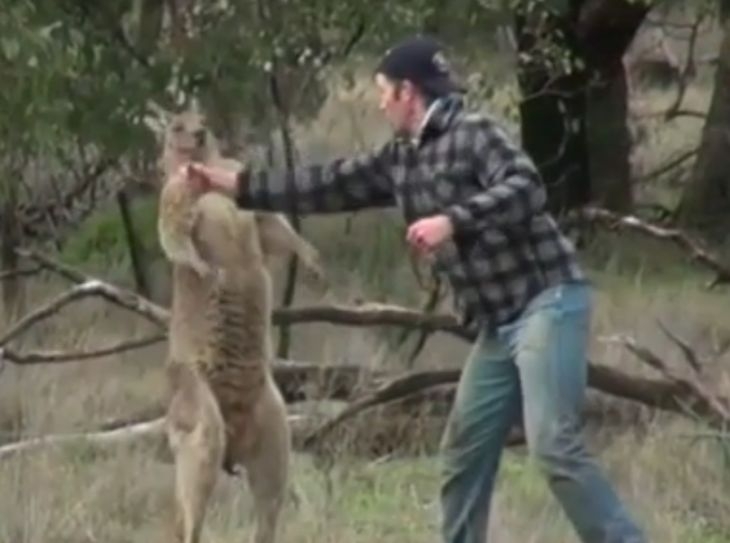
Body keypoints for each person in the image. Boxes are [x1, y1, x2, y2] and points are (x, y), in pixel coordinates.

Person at [182, 34, 646, 543]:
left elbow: (526, 187)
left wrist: (452, 220)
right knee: (464, 453)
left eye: (383, 90)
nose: (379, 101)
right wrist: (229, 185)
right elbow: (324, 184)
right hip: (498, 326)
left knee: (554, 445)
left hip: (547, 303)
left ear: (408, 91)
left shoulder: (473, 134)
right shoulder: (401, 158)